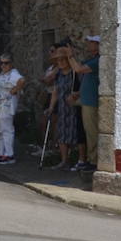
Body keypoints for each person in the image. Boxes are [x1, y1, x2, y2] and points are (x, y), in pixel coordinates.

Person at [44, 41, 84, 171]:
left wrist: (76, 95)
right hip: (62, 108)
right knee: (62, 134)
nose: (60, 62)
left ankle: (78, 160)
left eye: (63, 59)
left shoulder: (75, 73)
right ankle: (64, 161)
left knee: (75, 134)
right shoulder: (59, 74)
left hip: (74, 108)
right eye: (58, 60)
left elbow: (83, 88)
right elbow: (55, 91)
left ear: (68, 60)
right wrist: (51, 107)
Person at [0, 54, 26, 165]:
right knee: (1, 131)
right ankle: (1, 153)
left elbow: (22, 80)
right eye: (1, 63)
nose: (3, 65)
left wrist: (15, 90)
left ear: (11, 63)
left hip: (5, 106)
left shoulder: (13, 74)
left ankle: (9, 155)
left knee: (7, 130)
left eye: (6, 63)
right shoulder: (1, 74)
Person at [73, 35, 100, 171]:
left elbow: (78, 69)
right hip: (86, 100)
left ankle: (94, 161)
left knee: (91, 132)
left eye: (91, 42)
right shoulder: (93, 60)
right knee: (88, 131)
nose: (88, 44)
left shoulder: (97, 61)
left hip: (91, 102)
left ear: (97, 45)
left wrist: (70, 56)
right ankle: (91, 158)